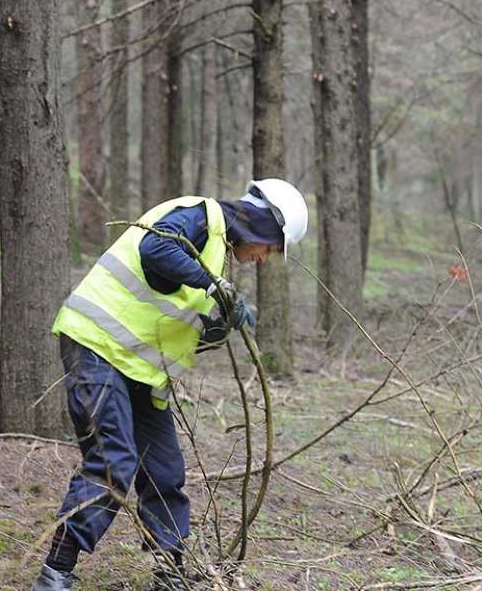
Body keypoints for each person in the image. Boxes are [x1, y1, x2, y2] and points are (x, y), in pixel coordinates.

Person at [30, 179, 309, 591]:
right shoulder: (199, 217)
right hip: (96, 346)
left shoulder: (214, 258)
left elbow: (181, 324)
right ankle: (55, 571)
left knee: (165, 471)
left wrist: (219, 324)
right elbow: (154, 250)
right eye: (271, 248)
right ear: (264, 226)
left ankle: (171, 571)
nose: (266, 259)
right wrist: (215, 286)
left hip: (143, 373)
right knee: (113, 461)